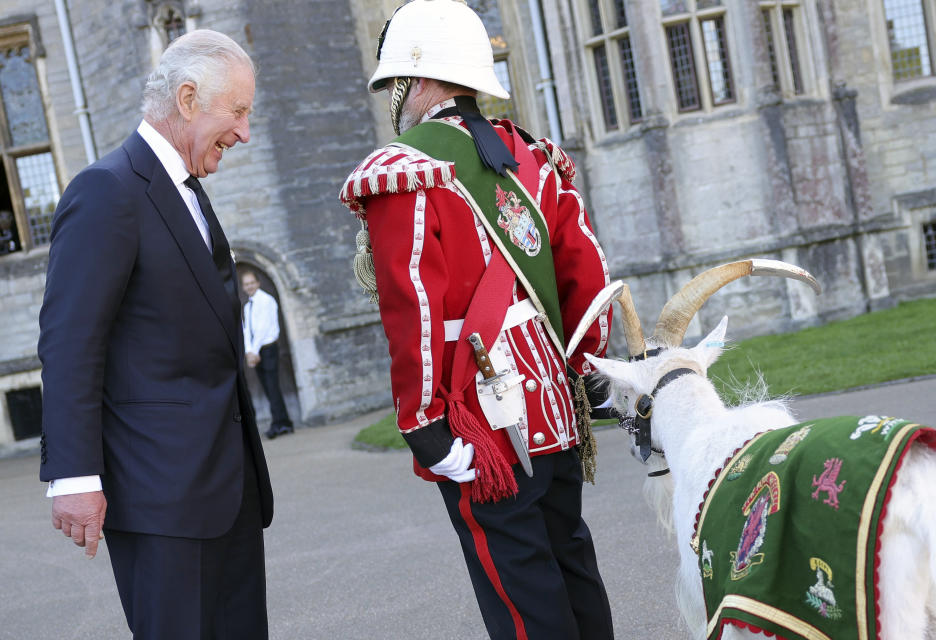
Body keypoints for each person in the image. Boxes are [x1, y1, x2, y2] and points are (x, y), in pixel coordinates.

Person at [340, 1, 615, 638]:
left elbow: (414, 306)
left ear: (417, 78)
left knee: (519, 591)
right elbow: (586, 276)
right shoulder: (534, 158)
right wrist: (582, 371)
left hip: (479, 417)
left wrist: (423, 423)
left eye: (394, 85)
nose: (394, 98)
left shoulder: (407, 170)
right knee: (570, 558)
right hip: (551, 403)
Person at [38, 29, 272, 640]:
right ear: (189, 99)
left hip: (228, 490)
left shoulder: (187, 190)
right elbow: (69, 343)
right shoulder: (107, 190)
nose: (245, 132)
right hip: (160, 500)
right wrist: (75, 476)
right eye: (239, 111)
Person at [241, 269, 294, 439]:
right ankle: (283, 421)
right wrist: (249, 351)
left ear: (257, 283)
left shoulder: (266, 300)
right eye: (246, 284)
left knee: (272, 387)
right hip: (256, 351)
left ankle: (280, 423)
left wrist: (254, 351)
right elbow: (247, 329)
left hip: (268, 348)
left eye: (251, 283)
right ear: (243, 287)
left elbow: (263, 329)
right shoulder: (247, 305)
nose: (249, 286)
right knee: (266, 387)